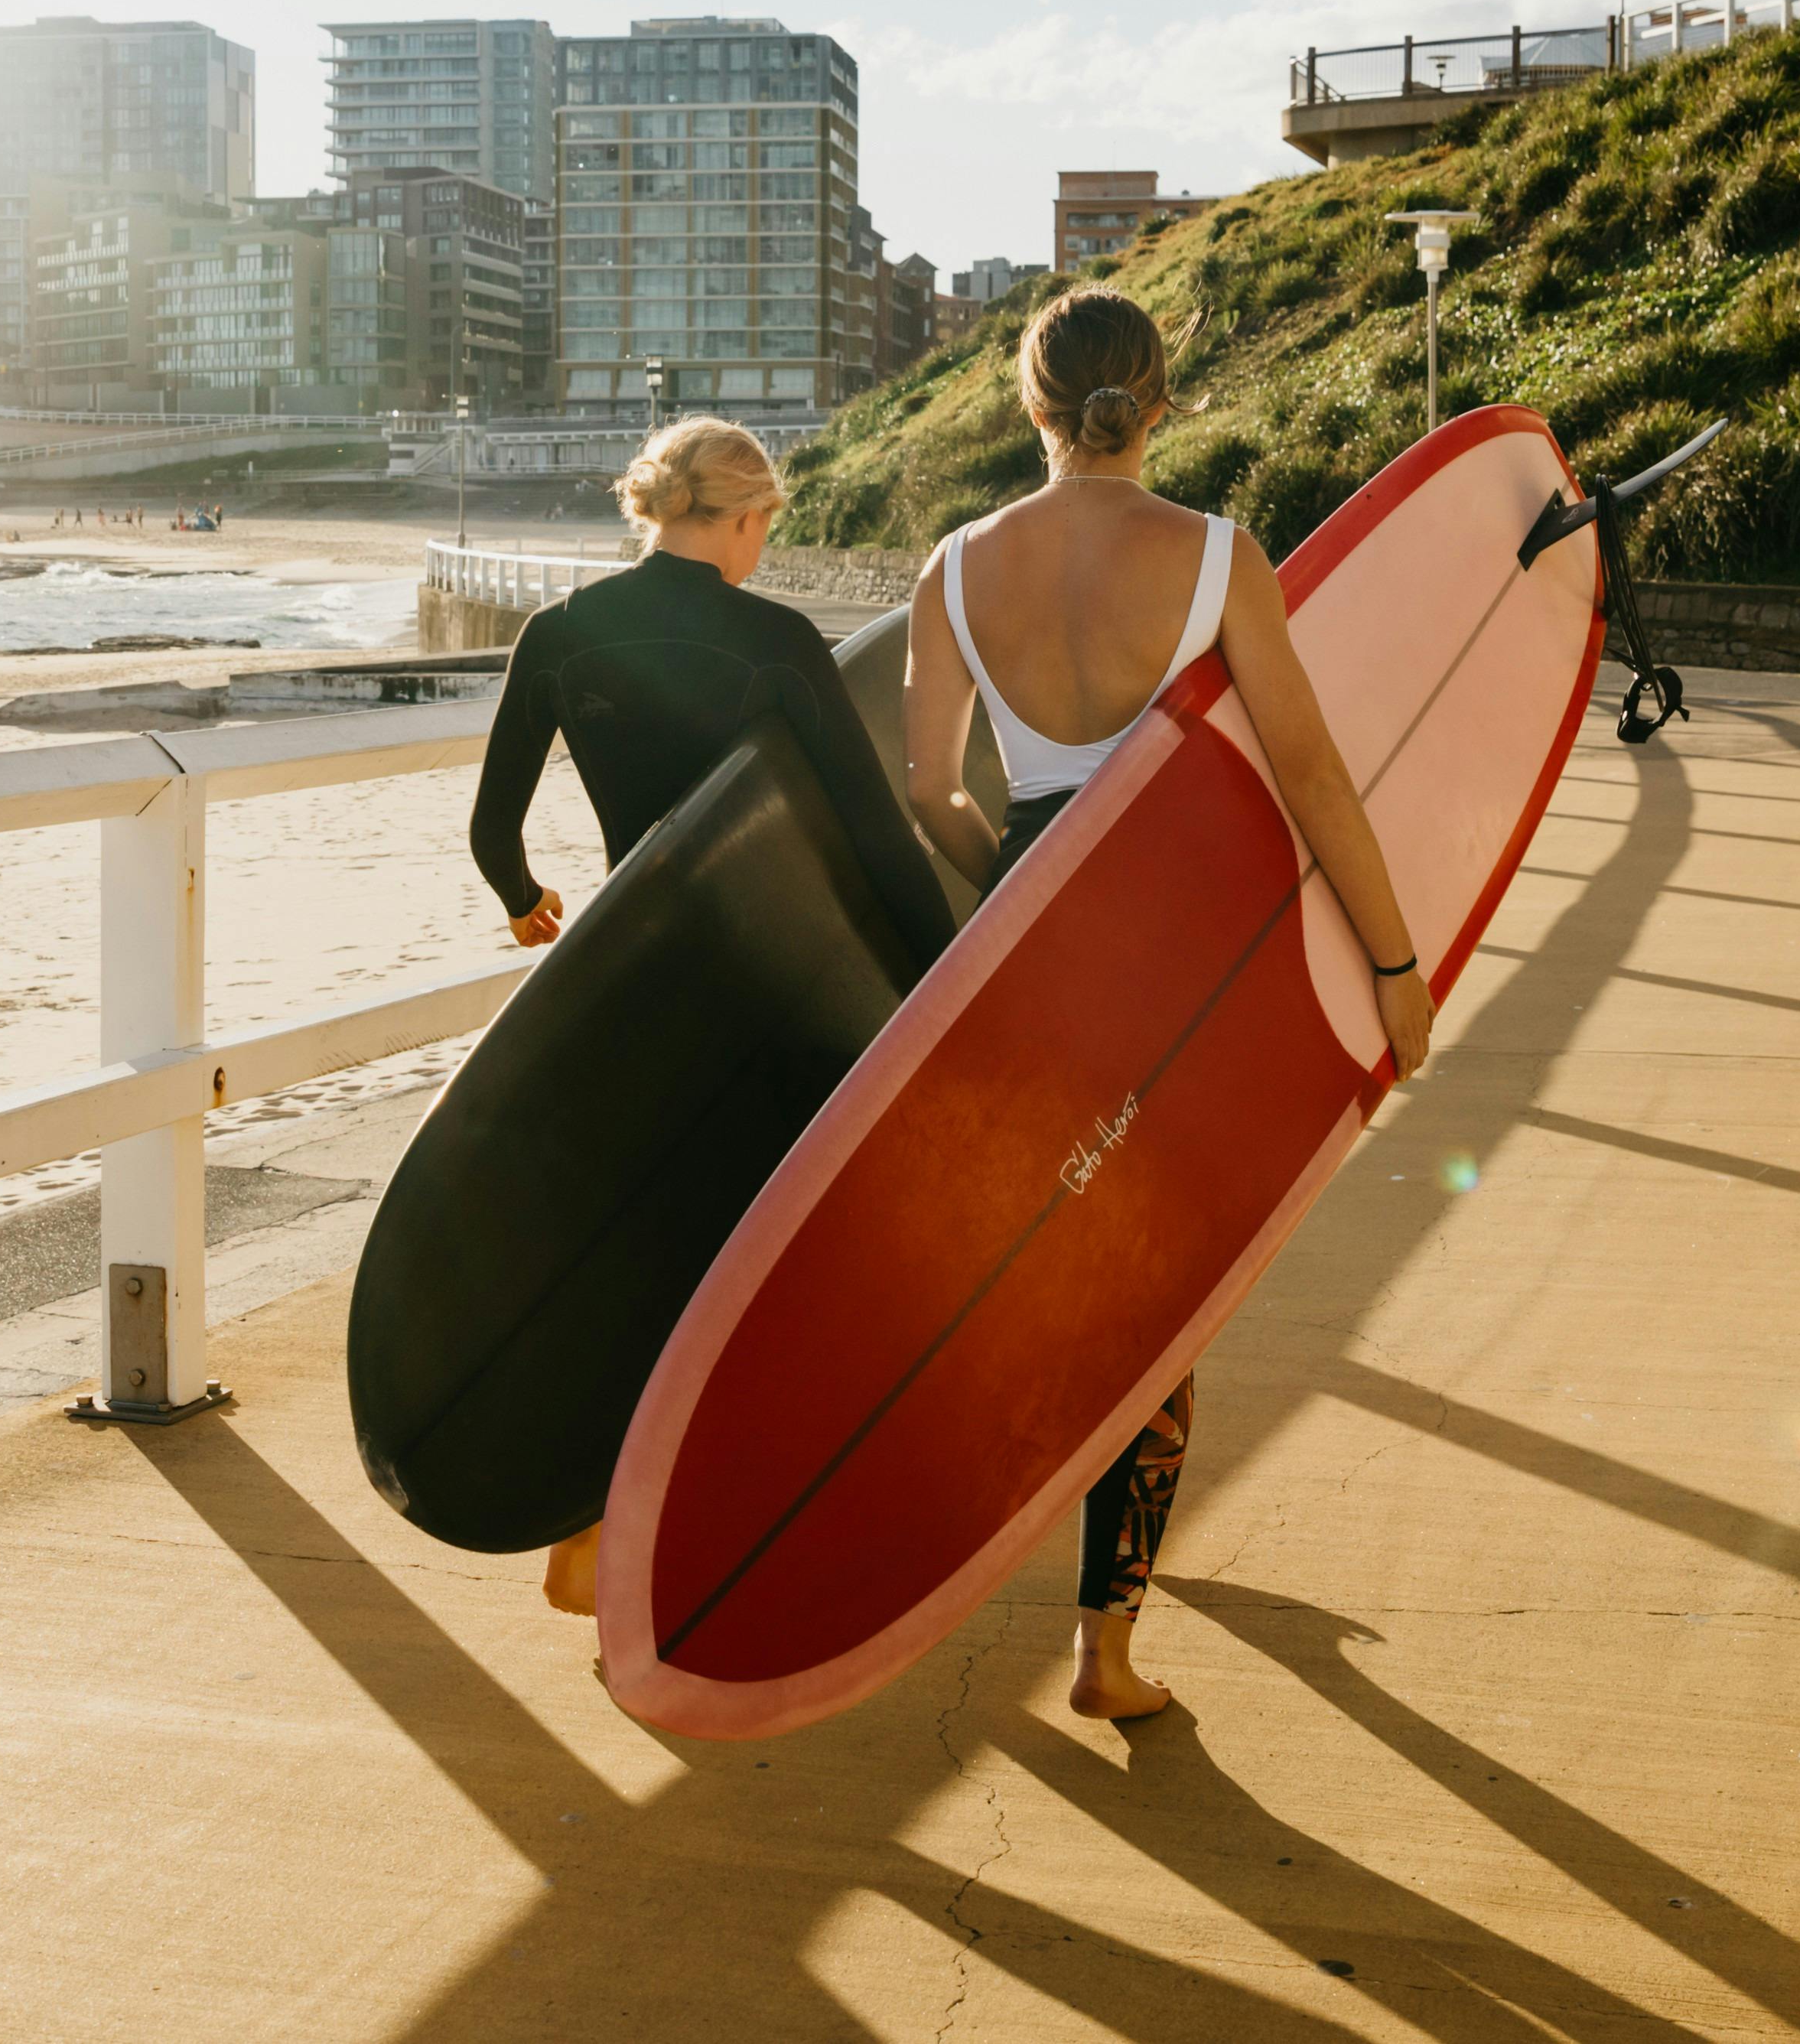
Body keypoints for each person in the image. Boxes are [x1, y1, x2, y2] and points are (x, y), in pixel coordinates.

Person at [899, 286, 1435, 1723]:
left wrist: (1015, 885)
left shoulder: (953, 566)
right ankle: (1105, 1651)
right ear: (1161, 400)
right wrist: (1393, 966)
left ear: (1028, 403)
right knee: (1157, 1294)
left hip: (1035, 951)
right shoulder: (1215, 556)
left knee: (1044, 1260)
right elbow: (1313, 776)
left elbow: (930, 788)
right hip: (1178, 952)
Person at [469, 414, 958, 1623]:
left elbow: (493, 831)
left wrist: (532, 908)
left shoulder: (560, 631)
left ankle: (582, 1533)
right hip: (753, 999)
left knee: (628, 1260)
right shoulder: (778, 641)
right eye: (762, 528)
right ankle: (718, 1524)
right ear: (742, 517)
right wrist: (947, 975)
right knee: (755, 1272)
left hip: (614, 992)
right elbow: (875, 837)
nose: (757, 549)